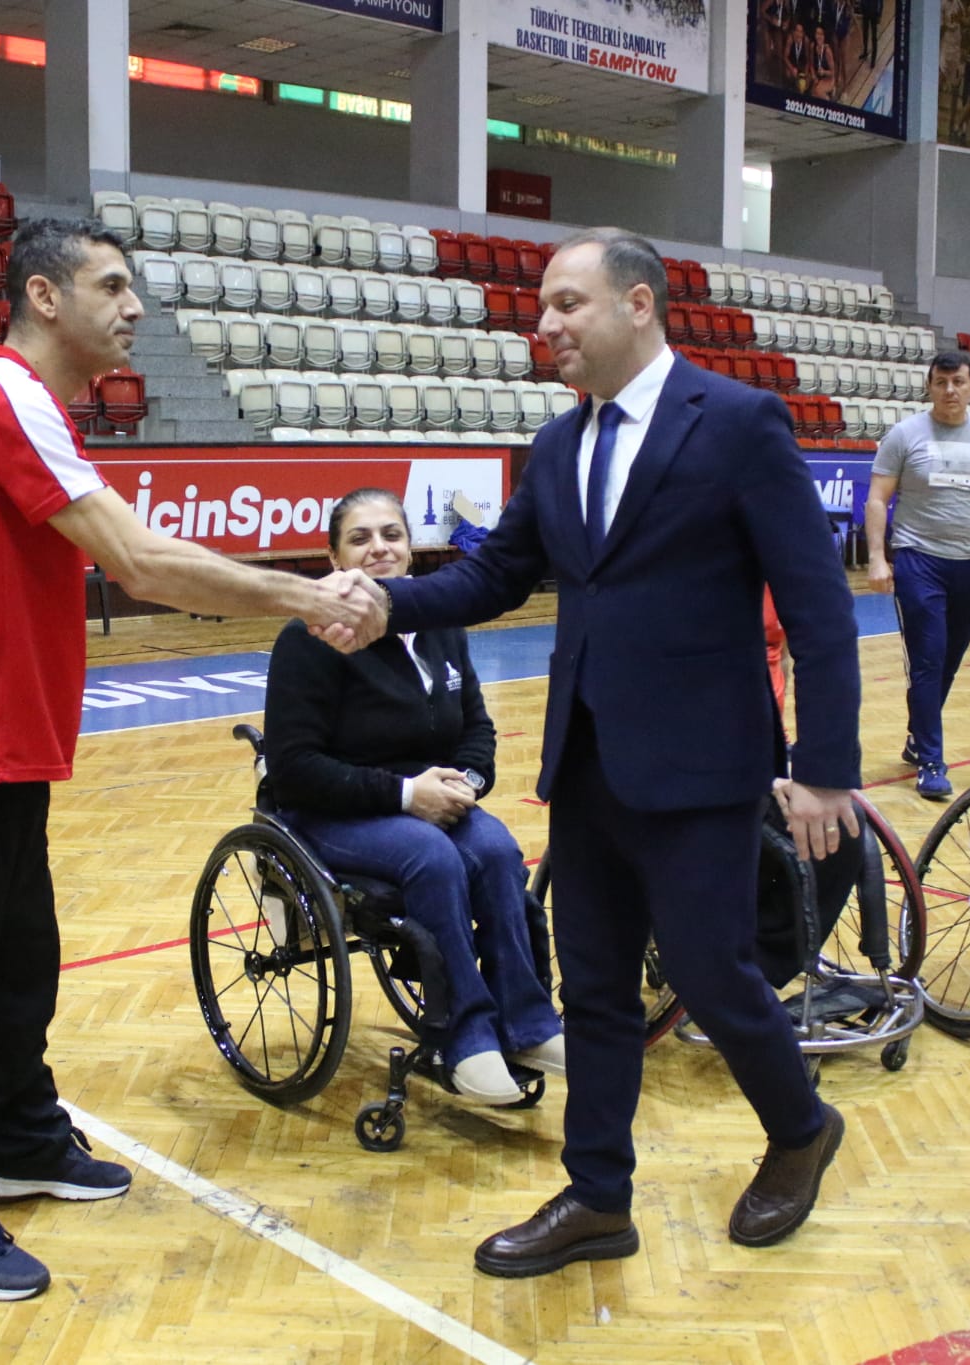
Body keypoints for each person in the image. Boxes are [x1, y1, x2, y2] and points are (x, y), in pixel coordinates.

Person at [321, 228, 863, 1276]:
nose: (546, 325)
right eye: (542, 308)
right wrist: (389, 605)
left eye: (567, 303)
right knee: (597, 990)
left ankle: (799, 1129)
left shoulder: (737, 422)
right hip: (587, 761)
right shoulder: (560, 442)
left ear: (638, 303)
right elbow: (494, 575)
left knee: (711, 975)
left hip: (704, 765)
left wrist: (825, 767)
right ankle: (598, 1197)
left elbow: (818, 607)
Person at [0, 217, 380, 1302]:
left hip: (0, 750)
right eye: (111, 285)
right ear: (44, 297)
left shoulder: (26, 409)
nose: (135, 306)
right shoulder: (6, 397)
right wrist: (305, 596)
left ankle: (18, 1139)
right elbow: (139, 564)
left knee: (20, 964)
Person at [264, 489, 563, 1104]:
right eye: (360, 538)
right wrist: (405, 794)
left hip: (428, 798)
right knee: (433, 858)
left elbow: (477, 727)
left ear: (410, 546)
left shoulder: (438, 624)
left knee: (499, 851)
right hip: (333, 808)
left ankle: (527, 1023)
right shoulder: (308, 639)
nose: (379, 548)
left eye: (391, 534)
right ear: (334, 557)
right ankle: (464, 1036)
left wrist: (467, 783)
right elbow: (294, 768)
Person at [865, 350, 970, 801]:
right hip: (919, 560)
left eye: (958, 382)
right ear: (930, 387)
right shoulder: (904, 435)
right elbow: (877, 498)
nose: (950, 390)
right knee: (928, 659)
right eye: (941, 382)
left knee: (948, 661)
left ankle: (918, 739)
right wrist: (877, 557)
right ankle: (932, 760)